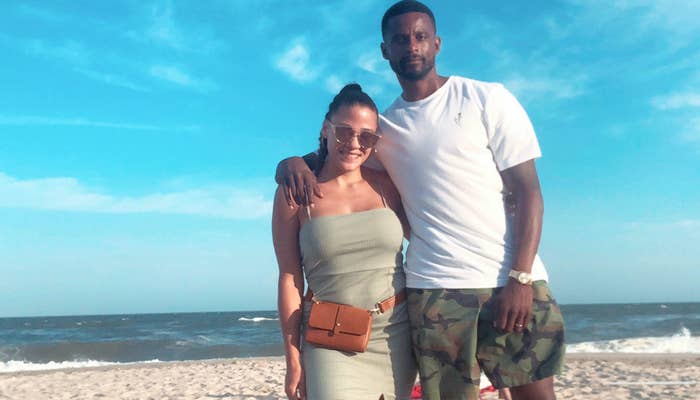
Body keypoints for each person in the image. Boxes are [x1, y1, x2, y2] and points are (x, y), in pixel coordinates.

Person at [275, 1, 565, 400]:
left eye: (420, 36)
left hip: (508, 280)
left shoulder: (486, 98)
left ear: (437, 43)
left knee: (537, 396)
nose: (411, 45)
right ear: (385, 51)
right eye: (399, 39)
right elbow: (341, 150)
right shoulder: (386, 130)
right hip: (434, 290)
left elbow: (528, 191)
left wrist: (521, 276)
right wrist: (291, 162)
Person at [272, 83, 417, 400]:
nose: (354, 143)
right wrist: (292, 356)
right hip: (330, 337)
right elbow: (289, 276)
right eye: (343, 132)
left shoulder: (387, 186)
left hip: (397, 335)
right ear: (326, 129)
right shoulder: (295, 193)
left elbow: (426, 238)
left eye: (366, 136)